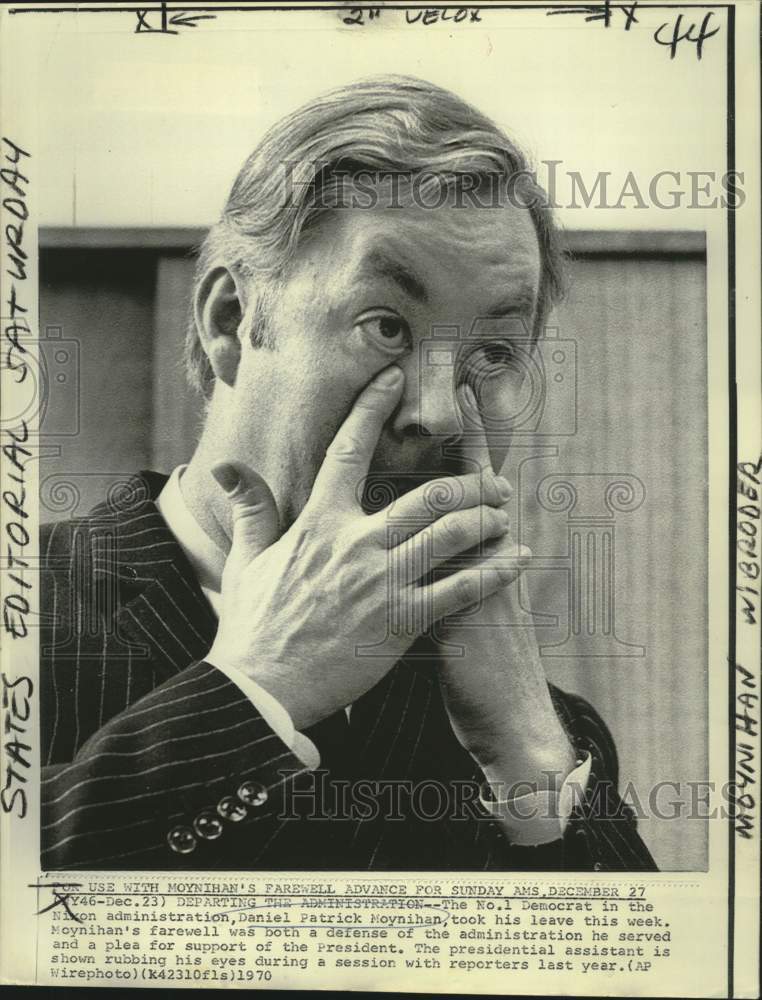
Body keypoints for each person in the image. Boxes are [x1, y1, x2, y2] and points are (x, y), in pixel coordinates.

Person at [40, 75, 656, 871]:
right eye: (386, 326)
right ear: (231, 320)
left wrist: (528, 756)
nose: (438, 411)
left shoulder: (547, 732)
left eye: (493, 353)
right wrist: (257, 690)